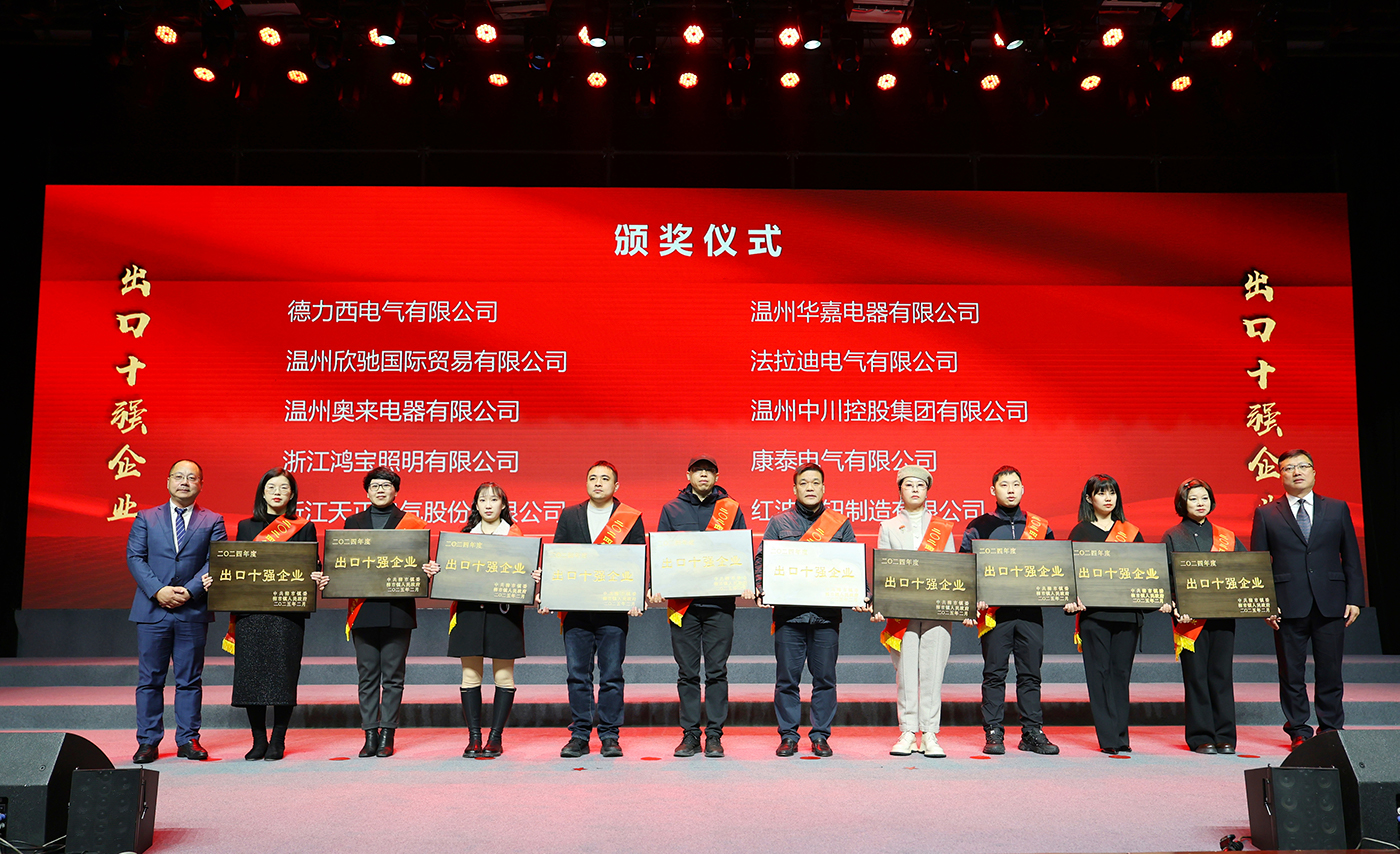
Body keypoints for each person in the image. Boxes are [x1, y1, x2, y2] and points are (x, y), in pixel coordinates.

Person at [202, 468, 326, 761]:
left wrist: (317, 576)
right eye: (271, 487)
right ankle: (258, 740)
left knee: (284, 676)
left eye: (284, 487)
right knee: (251, 677)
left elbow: (312, 564)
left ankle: (278, 739)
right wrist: (216, 580)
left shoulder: (304, 527)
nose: (277, 492)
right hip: (251, 613)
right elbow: (236, 566)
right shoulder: (246, 526)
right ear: (262, 492)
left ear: (292, 494)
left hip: (287, 613)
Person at [1250, 449, 1363, 750]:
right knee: (1291, 672)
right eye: (1289, 468)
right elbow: (1259, 563)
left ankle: (1331, 728)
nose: (1296, 472)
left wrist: (1355, 598)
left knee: (1330, 671)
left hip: (1331, 601)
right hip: (1287, 603)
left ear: (1314, 472)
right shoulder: (1266, 513)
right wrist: (1265, 603)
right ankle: (1299, 729)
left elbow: (1351, 556)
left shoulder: (1337, 508)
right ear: (1280, 475)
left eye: (1303, 466)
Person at [756, 463, 864, 758]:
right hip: (789, 616)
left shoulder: (839, 524)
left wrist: (860, 592)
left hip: (825, 618)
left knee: (825, 679)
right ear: (795, 489)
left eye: (816, 482)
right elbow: (762, 561)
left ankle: (820, 736)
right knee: (786, 680)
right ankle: (788, 736)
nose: (810, 487)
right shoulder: (779, 522)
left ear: (824, 488)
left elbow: (852, 565)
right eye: (804, 483)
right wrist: (761, 589)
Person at [127, 459, 227, 763]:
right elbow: (135, 557)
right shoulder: (146, 517)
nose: (185, 482)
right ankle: (147, 741)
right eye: (179, 476)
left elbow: (217, 560)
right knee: (150, 679)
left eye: (192, 478)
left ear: (201, 485)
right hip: (152, 609)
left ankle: (188, 739)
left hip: (192, 610)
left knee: (189, 679)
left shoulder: (213, 520)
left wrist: (191, 590)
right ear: (168, 481)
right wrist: (158, 591)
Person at [959, 465, 1060, 757]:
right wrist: (974, 599)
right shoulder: (979, 526)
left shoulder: (1041, 527)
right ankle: (993, 731)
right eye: (1004, 485)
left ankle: (1032, 732)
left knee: (1031, 674)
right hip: (994, 613)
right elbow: (966, 568)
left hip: (1030, 611)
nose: (1011, 490)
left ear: (1023, 489)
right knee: (994, 673)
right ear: (993, 490)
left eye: (1016, 484)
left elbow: (1055, 567)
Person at [652, 456, 748, 759]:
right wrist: (657, 583)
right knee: (687, 673)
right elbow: (663, 553)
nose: (703, 475)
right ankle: (691, 735)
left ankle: (715, 735)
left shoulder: (731, 509)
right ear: (688, 475)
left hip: (720, 604)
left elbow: (741, 553)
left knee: (717, 672)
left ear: (717, 476)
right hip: (683, 606)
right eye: (698, 470)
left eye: (708, 471)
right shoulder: (672, 509)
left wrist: (746, 581)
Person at [1065, 474, 1169, 755]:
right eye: (1101, 493)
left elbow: (1147, 571)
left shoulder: (1131, 532)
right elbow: (1070, 574)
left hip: (1127, 616)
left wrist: (1159, 599)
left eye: (1111, 492)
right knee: (1099, 675)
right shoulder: (1080, 532)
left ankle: (1122, 735)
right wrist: (1070, 599)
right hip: (1095, 616)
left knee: (1121, 675)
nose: (1108, 498)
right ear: (1089, 499)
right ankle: (1108, 737)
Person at [549, 461, 646, 759]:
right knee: (577, 674)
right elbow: (558, 558)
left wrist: (636, 597)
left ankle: (609, 735)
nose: (598, 483)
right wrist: (550, 593)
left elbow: (637, 560)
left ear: (616, 486)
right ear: (586, 484)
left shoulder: (629, 518)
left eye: (605, 478)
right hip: (577, 611)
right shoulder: (570, 515)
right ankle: (579, 735)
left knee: (612, 675)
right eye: (592, 478)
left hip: (613, 611)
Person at [423, 482, 527, 759]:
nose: (488, 505)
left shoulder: (516, 537)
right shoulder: (463, 538)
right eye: (483, 500)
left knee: (504, 676)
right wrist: (438, 570)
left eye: (494, 499)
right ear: (476, 505)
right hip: (469, 613)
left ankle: (495, 738)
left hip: (504, 614)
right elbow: (451, 575)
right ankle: (474, 738)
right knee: (470, 676)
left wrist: (534, 576)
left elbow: (524, 577)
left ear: (503, 505)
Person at [340, 466, 433, 759]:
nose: (380, 490)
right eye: (374, 486)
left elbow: (419, 564)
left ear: (396, 490)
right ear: (367, 491)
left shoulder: (412, 523)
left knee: (393, 676)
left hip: (398, 609)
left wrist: (428, 569)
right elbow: (343, 562)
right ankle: (370, 734)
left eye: (386, 485)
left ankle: (388, 735)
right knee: (367, 675)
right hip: (364, 608)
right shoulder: (352, 523)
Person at [872, 464, 958, 759]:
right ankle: (908, 731)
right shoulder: (888, 526)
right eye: (908, 485)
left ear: (927, 491)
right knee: (906, 673)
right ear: (900, 491)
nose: (915, 490)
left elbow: (952, 571)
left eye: (920, 485)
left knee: (933, 672)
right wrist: (881, 605)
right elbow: (883, 571)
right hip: (901, 613)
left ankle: (930, 733)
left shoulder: (943, 528)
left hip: (936, 611)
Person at [1162, 478, 1244, 755]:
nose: (1200, 503)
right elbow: (1165, 577)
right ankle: (1201, 737)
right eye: (1193, 498)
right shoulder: (1172, 535)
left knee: (1222, 675)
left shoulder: (1227, 537)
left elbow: (1247, 569)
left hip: (1223, 616)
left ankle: (1225, 736)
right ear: (1182, 503)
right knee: (1196, 677)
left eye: (1204, 498)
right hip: (1190, 620)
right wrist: (1173, 604)